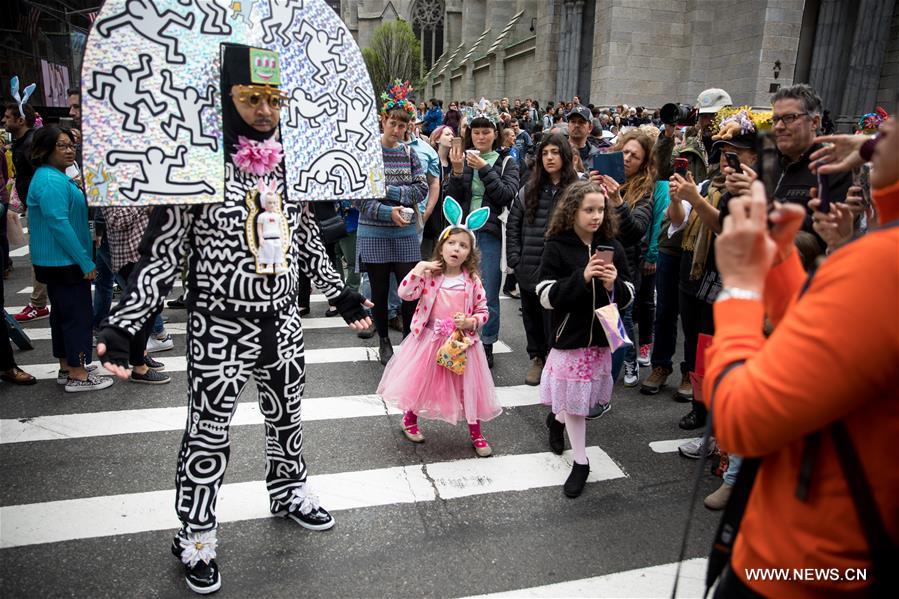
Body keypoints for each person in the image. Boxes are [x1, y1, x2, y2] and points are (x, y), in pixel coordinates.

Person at [96, 45, 372, 594]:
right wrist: (125, 326)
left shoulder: (288, 165)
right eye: (252, 98)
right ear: (226, 99)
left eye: (274, 99)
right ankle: (196, 534)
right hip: (219, 325)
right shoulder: (197, 168)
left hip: (283, 320)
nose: (265, 111)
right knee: (209, 433)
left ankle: (288, 490)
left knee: (287, 417)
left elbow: (308, 241)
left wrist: (340, 297)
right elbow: (162, 253)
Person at [700, 121, 898, 596]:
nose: (885, 124)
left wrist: (741, 288)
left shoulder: (882, 262)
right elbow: (822, 355)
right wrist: (781, 260)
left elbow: (740, 419)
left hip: (800, 566)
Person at [537, 180, 633, 498]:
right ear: (572, 211)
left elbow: (630, 295)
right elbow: (545, 296)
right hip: (570, 338)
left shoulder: (613, 246)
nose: (596, 216)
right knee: (578, 406)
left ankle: (556, 419)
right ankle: (581, 462)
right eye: (588, 209)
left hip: (603, 337)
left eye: (601, 209)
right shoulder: (557, 245)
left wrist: (614, 285)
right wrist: (582, 278)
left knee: (580, 400)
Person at [377, 216, 500, 457]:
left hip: (460, 342)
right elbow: (405, 293)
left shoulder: (472, 281)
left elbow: (484, 311)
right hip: (429, 340)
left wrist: (470, 321)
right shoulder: (430, 275)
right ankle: (409, 419)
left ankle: (476, 432)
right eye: (452, 243)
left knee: (467, 388)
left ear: (470, 253)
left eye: (463, 246)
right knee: (422, 382)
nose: (457, 249)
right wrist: (418, 268)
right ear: (441, 247)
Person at [28, 126, 112, 392]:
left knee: (63, 315)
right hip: (63, 261)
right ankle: (78, 374)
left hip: (56, 260)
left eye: (71, 145)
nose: (69, 150)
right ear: (45, 150)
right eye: (61, 146)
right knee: (77, 315)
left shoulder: (53, 177)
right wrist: (85, 262)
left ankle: (68, 367)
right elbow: (59, 223)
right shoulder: (51, 181)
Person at [356, 82, 429, 365]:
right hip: (374, 231)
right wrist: (390, 212)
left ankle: (409, 342)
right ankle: (384, 340)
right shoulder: (366, 154)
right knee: (379, 290)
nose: (397, 130)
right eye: (393, 123)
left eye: (403, 125)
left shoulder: (410, 153)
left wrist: (389, 192)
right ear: (383, 120)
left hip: (405, 232)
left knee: (409, 290)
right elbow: (359, 198)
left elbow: (421, 187)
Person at [446, 115, 520, 368]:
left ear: (495, 134)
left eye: (486, 132)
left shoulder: (507, 162)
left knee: (487, 292)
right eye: (476, 132)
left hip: (489, 232)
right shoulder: (463, 159)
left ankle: (487, 342)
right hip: (463, 233)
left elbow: (505, 194)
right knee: (458, 289)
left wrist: (484, 169)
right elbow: (452, 198)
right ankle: (459, 339)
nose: (480, 136)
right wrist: (456, 172)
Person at [506, 133, 579, 386]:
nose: (549, 158)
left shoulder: (576, 189)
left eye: (555, 152)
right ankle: (537, 358)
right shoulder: (529, 188)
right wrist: (515, 259)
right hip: (529, 266)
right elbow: (513, 224)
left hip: (560, 271)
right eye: (545, 153)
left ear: (565, 156)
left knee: (557, 319)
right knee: (532, 318)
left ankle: (555, 362)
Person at [592, 130, 655, 388]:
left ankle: (625, 360)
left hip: (625, 264)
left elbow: (634, 232)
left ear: (644, 163)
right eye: (625, 152)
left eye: (635, 156)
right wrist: (589, 187)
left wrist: (617, 201)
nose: (628, 159)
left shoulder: (645, 192)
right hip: (598, 254)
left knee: (619, 319)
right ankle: (599, 368)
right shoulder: (600, 180)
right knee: (598, 313)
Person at [104, 206, 171, 384]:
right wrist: (143, 204)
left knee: (155, 305)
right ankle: (138, 367)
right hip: (129, 255)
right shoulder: (110, 183)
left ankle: (140, 354)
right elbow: (116, 220)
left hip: (146, 252)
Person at [3, 100, 50, 323]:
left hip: (40, 209)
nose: (3, 120)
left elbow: (41, 178)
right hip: (35, 207)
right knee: (40, 254)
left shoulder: (30, 144)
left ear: (20, 120)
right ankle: (39, 302)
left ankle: (38, 304)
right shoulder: (24, 142)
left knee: (40, 255)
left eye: (8, 117)